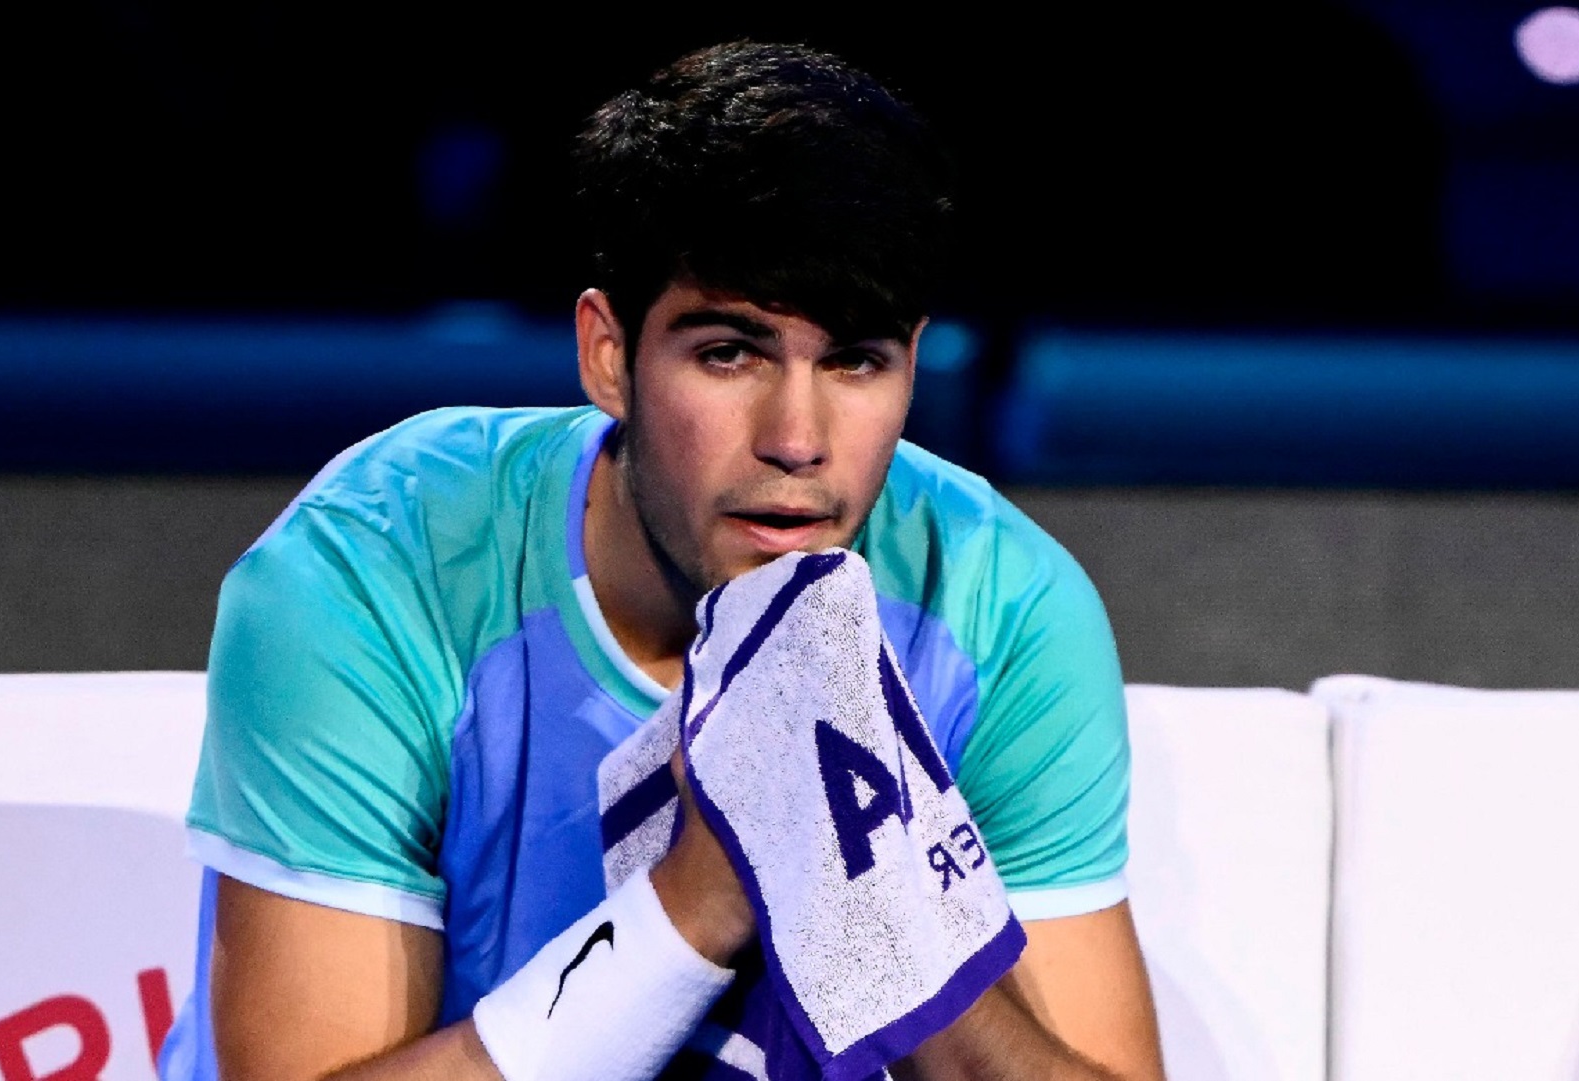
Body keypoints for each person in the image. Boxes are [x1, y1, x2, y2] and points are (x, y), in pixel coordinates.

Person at [158, 40, 1163, 1081]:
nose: (797, 438)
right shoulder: (371, 570)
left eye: (857, 361)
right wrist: (697, 899)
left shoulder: (1003, 608)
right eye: (729, 352)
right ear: (608, 353)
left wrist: (882, 907)